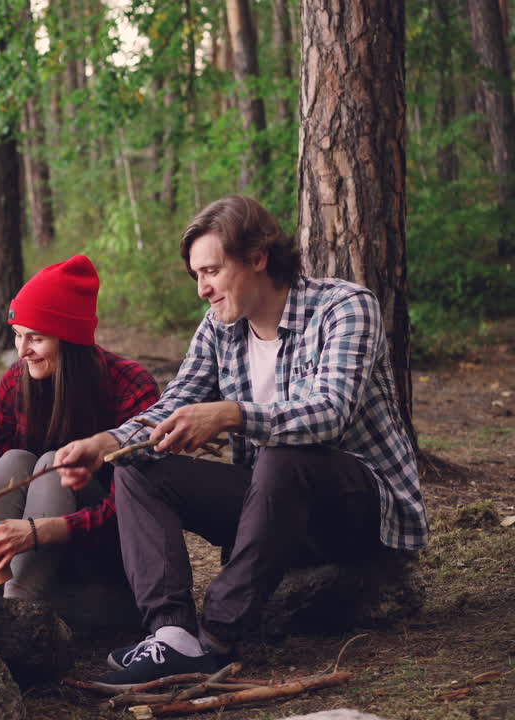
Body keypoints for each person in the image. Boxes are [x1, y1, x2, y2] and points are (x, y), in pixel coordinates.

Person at [54, 196, 428, 684]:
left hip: (357, 513)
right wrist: (106, 442)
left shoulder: (345, 307)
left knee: (283, 456)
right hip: (273, 512)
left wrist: (229, 414)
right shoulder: (220, 327)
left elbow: (330, 414)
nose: (202, 289)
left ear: (257, 258)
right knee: (138, 468)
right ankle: (172, 635)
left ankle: (217, 638)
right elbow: (173, 404)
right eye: (196, 276)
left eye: (211, 271)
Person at [0, 255, 159, 600]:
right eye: (18, 336)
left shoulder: (131, 386)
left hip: (105, 570)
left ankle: (20, 608)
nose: (22, 351)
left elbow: (134, 503)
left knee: (52, 464)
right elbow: (2, 485)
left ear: (71, 339)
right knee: (14, 460)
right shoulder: (15, 384)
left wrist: (39, 531)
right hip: (38, 559)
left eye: (36, 339)